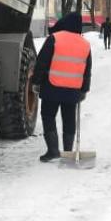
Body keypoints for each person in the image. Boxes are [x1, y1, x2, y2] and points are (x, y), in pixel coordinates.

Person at [31, 12, 92, 162]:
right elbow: (87, 70)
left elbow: (42, 62)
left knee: (48, 116)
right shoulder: (85, 44)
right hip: (73, 90)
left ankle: (53, 150)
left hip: (52, 87)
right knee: (69, 119)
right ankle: (68, 153)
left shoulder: (55, 38)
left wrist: (36, 81)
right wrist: (84, 89)